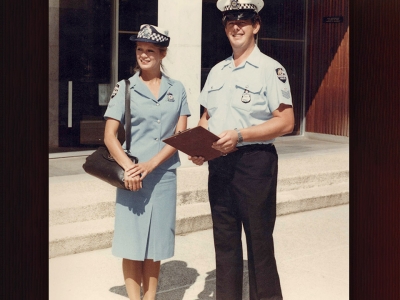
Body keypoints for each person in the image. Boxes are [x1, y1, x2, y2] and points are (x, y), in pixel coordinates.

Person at [189, 1, 294, 299]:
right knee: (224, 243)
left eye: (244, 20)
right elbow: (206, 117)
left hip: (254, 164)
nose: (236, 26)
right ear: (224, 27)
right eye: (230, 21)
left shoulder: (270, 69)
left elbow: (286, 121)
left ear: (256, 25)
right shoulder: (218, 71)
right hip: (219, 164)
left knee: (259, 245)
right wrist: (200, 146)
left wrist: (240, 134)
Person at [103, 24, 191, 300]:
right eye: (140, 49)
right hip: (132, 176)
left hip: (164, 176)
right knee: (131, 242)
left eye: (150, 50)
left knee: (156, 243)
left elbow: (180, 135)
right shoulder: (125, 87)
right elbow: (109, 136)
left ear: (162, 54)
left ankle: (150, 297)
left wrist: (152, 165)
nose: (143, 55)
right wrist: (130, 168)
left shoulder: (177, 88)